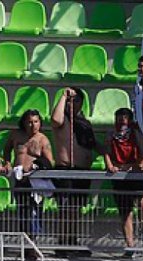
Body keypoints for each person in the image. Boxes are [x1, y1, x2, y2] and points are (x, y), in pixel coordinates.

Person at [51, 86, 100, 249]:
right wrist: (64, 95)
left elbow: (93, 145)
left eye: (76, 100)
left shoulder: (84, 123)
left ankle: (72, 241)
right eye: (70, 101)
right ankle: (63, 243)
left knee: (76, 209)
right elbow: (55, 119)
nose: (73, 103)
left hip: (82, 172)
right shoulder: (62, 119)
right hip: (66, 171)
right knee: (65, 210)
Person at [2, 109, 55, 240]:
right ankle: (25, 242)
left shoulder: (43, 139)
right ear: (24, 123)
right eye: (30, 122)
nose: (33, 125)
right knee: (22, 211)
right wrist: (7, 162)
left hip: (35, 181)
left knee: (34, 212)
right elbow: (7, 149)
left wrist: (35, 165)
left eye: (36, 121)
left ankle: (33, 242)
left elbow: (50, 161)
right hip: (20, 179)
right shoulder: (16, 135)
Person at [105, 108, 143, 254]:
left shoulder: (135, 133)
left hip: (134, 173)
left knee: (142, 202)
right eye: (119, 118)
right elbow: (107, 152)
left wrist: (135, 165)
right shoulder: (111, 134)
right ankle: (129, 246)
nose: (121, 121)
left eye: (124, 118)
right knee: (126, 212)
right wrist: (110, 166)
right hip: (119, 174)